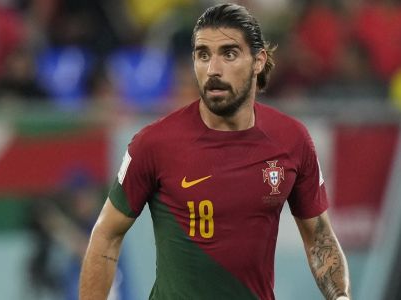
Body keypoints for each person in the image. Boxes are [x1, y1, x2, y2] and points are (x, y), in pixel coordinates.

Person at [79, 3, 351, 300]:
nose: (213, 69)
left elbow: (319, 237)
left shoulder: (292, 140)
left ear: (258, 61)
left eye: (229, 54)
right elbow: (106, 235)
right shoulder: (154, 143)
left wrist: (340, 297)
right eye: (203, 55)